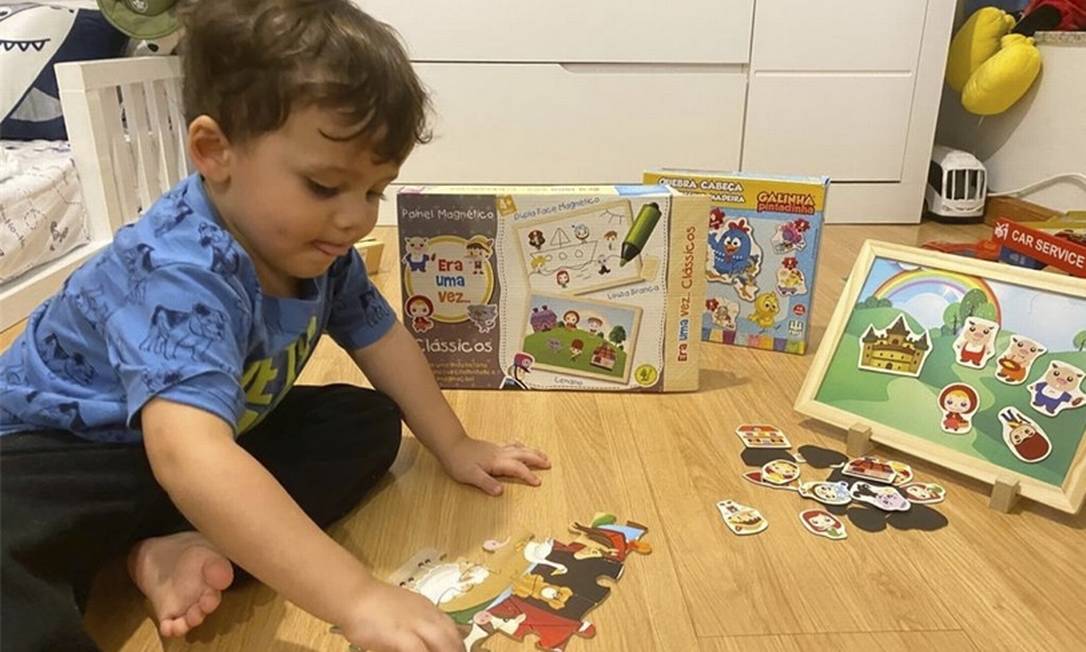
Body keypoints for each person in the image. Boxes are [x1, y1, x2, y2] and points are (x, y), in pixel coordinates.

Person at [0, 1, 550, 651]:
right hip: (65, 451)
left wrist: (454, 445)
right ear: (214, 151)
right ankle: (157, 535)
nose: (355, 219)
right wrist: (358, 596)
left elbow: (380, 337)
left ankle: (181, 542)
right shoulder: (178, 269)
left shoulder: (320, 249)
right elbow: (188, 455)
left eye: (374, 191)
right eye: (325, 186)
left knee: (366, 420)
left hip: (198, 443)